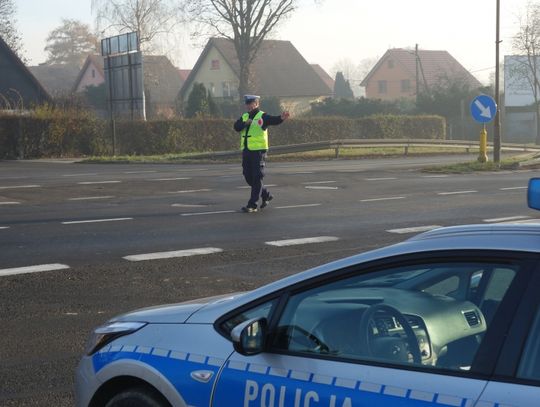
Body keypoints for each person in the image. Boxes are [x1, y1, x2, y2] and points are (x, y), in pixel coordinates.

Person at [234, 94, 290, 213]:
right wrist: (245, 124)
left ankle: (252, 204)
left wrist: (281, 118)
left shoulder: (262, 116)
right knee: (248, 176)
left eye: (251, 103)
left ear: (257, 104)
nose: (249, 106)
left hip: (258, 151)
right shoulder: (244, 116)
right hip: (247, 150)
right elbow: (236, 127)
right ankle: (265, 194)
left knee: (257, 176)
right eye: (247, 104)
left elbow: (273, 120)